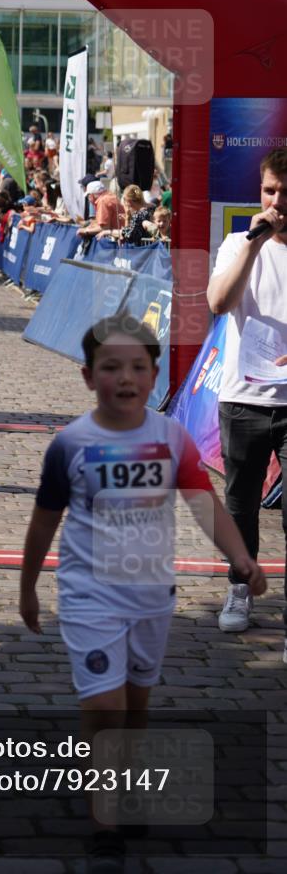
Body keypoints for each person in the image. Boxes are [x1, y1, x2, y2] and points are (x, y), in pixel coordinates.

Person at [20, 313, 266, 871]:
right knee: (104, 704)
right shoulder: (70, 444)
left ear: (154, 376)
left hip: (151, 596)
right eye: (111, 367)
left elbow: (206, 505)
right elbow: (43, 519)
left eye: (137, 367)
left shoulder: (171, 440)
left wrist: (241, 557)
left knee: (135, 703)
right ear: (88, 376)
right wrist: (28, 585)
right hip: (87, 595)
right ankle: (104, 816)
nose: (125, 378)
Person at [206, 148, 287, 652]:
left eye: (285, 193)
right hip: (244, 396)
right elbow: (218, 303)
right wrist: (253, 248)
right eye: (270, 191)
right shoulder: (240, 242)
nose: (277, 201)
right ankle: (240, 587)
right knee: (241, 502)